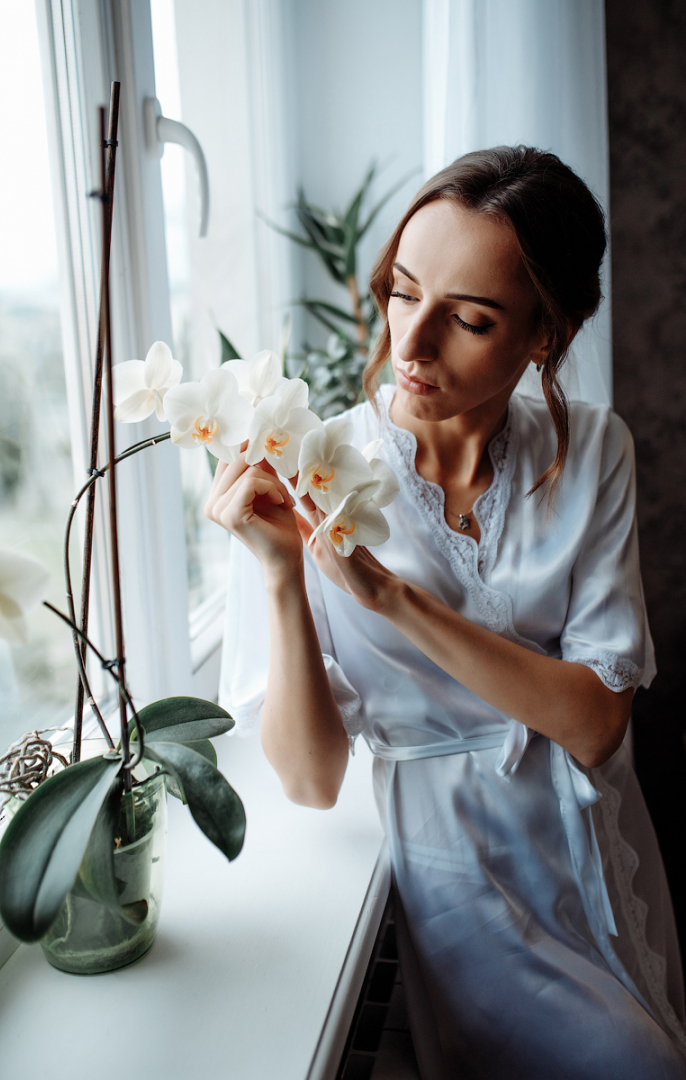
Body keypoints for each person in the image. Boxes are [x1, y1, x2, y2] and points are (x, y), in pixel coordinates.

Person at [211, 147, 686, 1079]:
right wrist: (278, 578)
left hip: (591, 832)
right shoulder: (309, 467)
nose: (412, 343)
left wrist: (391, 597)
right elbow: (309, 781)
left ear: (546, 335)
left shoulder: (592, 449)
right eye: (402, 291)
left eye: (469, 318)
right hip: (449, 871)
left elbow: (594, 724)